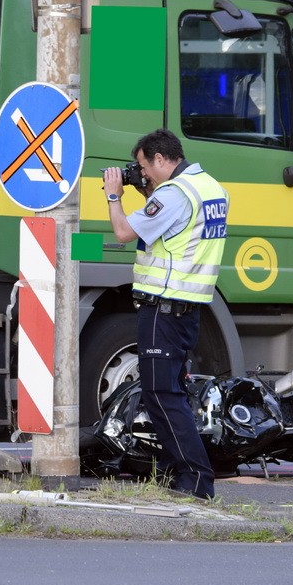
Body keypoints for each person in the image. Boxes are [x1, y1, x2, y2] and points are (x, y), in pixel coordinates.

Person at [102, 129, 229, 499]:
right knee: (170, 394)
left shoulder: (174, 195)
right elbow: (175, 232)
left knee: (162, 396)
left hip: (164, 308)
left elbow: (125, 232)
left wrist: (114, 195)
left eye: (145, 167)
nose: (143, 174)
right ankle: (188, 477)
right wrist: (147, 192)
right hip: (188, 309)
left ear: (161, 159)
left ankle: (194, 480)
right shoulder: (208, 187)